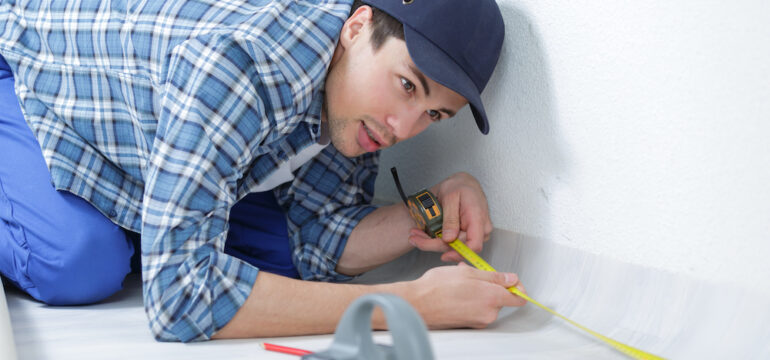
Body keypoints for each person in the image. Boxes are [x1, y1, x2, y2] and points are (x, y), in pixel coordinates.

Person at [0, 0, 527, 342]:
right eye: (408, 85)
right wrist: (411, 304)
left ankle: (152, 227)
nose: (402, 128)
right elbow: (179, 302)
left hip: (137, 130)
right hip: (25, 71)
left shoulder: (356, 98)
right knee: (79, 261)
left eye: (434, 115)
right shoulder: (245, 65)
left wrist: (431, 203)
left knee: (285, 261)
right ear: (357, 26)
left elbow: (317, 235)